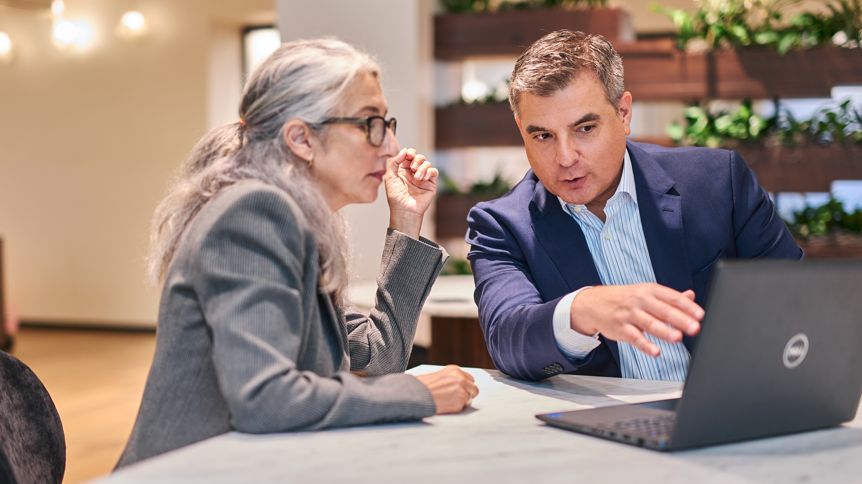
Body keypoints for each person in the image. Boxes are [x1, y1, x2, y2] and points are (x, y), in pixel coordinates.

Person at [117, 38, 478, 468]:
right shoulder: (253, 212)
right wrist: (419, 394)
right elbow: (267, 399)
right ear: (302, 139)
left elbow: (378, 357)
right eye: (370, 124)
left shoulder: (300, 219)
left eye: (387, 122)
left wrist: (405, 221)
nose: (391, 148)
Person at [466, 30, 803, 382]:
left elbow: (797, 298)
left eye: (584, 128)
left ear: (624, 113)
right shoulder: (503, 225)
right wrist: (583, 309)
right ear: (522, 131)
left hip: (732, 410)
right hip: (602, 430)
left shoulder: (719, 182)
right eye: (543, 136)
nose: (565, 158)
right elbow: (508, 340)